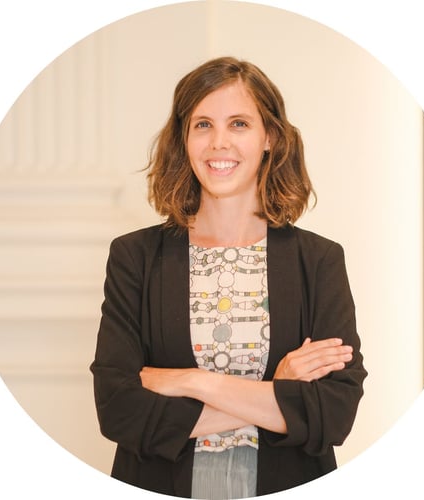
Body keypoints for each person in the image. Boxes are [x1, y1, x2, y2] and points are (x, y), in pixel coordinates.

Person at [90, 56, 367, 499]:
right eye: (203, 125)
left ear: (270, 137)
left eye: (239, 123)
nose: (219, 143)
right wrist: (277, 393)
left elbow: (333, 414)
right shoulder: (135, 257)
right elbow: (119, 409)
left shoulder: (318, 260)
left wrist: (191, 382)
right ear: (184, 138)